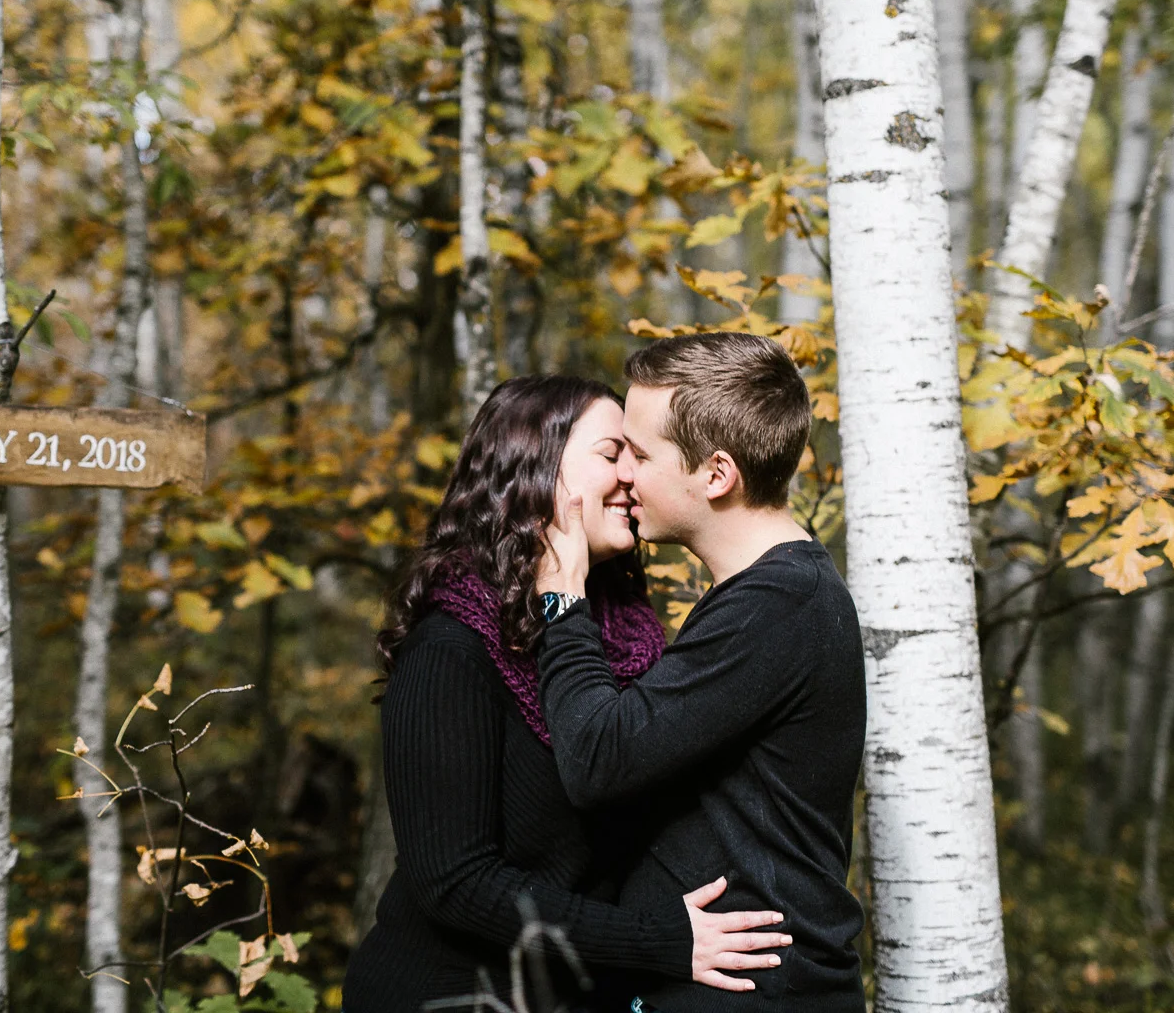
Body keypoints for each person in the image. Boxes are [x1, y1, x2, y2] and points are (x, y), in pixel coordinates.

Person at [343, 375, 793, 1012]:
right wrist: (653, 939)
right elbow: (455, 883)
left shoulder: (621, 635)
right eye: (612, 454)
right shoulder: (450, 649)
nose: (632, 476)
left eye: (637, 456)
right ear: (536, 469)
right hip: (451, 997)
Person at [535, 333, 868, 1012]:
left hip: (754, 992)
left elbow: (598, 760)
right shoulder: (773, 594)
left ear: (716, 475)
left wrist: (561, 600)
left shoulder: (778, 605)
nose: (624, 475)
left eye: (640, 454)